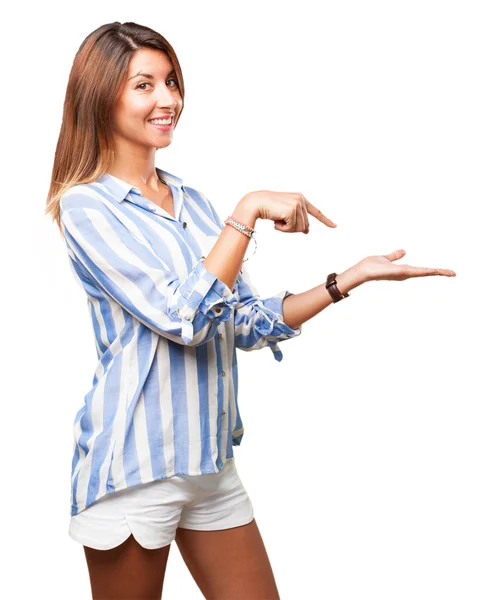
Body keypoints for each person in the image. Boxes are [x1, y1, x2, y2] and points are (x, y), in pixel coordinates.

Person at [45, 21, 456, 600]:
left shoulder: (190, 201)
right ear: (100, 95)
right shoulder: (88, 206)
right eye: (145, 85)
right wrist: (247, 211)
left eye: (171, 82)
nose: (168, 100)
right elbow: (183, 318)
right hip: (134, 469)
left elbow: (239, 321)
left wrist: (346, 281)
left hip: (209, 464)